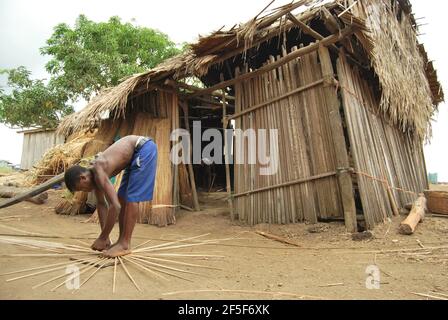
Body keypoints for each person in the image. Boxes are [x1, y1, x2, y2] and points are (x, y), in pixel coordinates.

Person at [64, 135, 157, 257]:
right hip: (133, 157)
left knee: (132, 199)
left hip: (143, 149)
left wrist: (101, 238)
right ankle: (120, 241)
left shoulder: (98, 171)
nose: (85, 191)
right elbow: (102, 205)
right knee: (122, 197)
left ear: (83, 177)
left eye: (82, 188)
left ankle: (124, 245)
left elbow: (115, 206)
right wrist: (105, 237)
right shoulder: (95, 180)